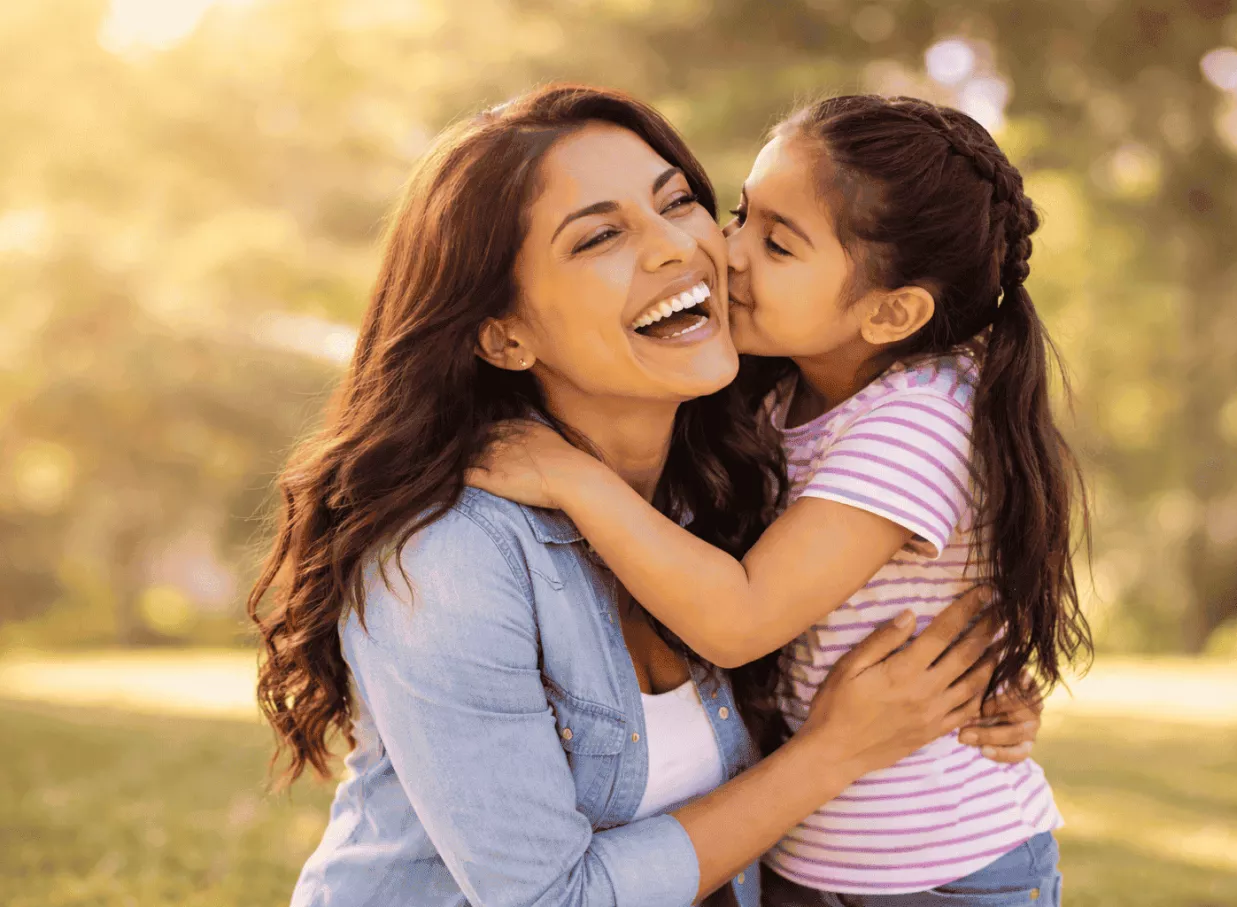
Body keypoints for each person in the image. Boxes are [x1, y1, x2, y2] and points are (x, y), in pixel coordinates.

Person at [247, 86, 1040, 907]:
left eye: (679, 202)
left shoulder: (720, 491)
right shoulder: (448, 557)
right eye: (599, 236)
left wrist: (960, 700)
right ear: (503, 333)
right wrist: (839, 749)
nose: (689, 250)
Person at [468, 95, 1088, 906]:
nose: (725, 253)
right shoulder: (782, 391)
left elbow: (742, 618)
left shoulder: (920, 417)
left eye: (778, 243)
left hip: (944, 870)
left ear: (892, 311)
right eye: (739, 214)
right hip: (804, 853)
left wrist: (569, 477)